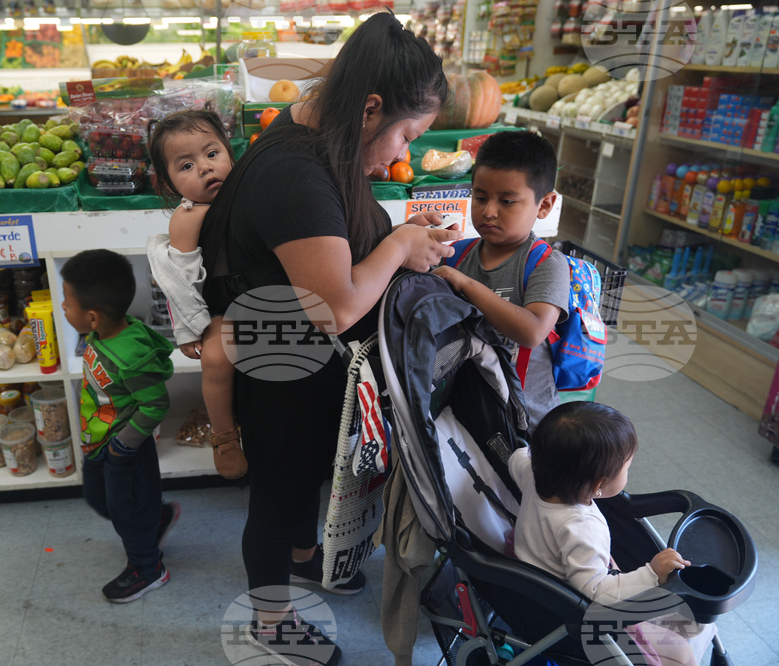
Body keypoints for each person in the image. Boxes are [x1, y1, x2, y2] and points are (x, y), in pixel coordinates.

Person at [202, 12, 460, 664]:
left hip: (310, 360)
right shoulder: (295, 173)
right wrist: (401, 242)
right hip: (286, 362)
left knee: (301, 481)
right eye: (406, 133)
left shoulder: (320, 129)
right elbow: (337, 306)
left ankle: (305, 552)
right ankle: (270, 618)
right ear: (371, 108)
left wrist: (395, 231)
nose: (403, 151)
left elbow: (334, 236)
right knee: (279, 492)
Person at [510, 401, 716, 665]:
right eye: (626, 468)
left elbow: (517, 456)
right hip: (584, 614)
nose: (628, 472)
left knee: (693, 622)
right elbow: (598, 593)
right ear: (598, 485)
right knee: (684, 651)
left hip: (542, 579)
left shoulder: (532, 472)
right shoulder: (581, 527)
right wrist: (651, 573)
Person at [60, 249, 180, 603]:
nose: (63, 309)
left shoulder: (130, 355)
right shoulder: (104, 334)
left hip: (123, 452)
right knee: (100, 502)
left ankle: (148, 568)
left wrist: (123, 447)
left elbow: (155, 403)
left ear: (92, 317)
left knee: (126, 514)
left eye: (67, 303)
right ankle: (155, 518)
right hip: (98, 443)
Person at [432, 130, 570, 431]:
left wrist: (467, 285)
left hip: (525, 418)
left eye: (507, 201)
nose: (489, 211)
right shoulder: (458, 255)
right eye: (480, 197)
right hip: (465, 408)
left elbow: (532, 331)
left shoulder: (546, 264)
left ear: (544, 205)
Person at [146, 109, 247, 480]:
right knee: (217, 359)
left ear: (230, 155)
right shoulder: (187, 218)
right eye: (186, 165)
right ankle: (224, 436)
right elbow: (178, 281)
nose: (205, 168)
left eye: (212, 154)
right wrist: (188, 330)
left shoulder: (250, 192)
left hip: (262, 294)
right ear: (170, 184)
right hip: (222, 303)